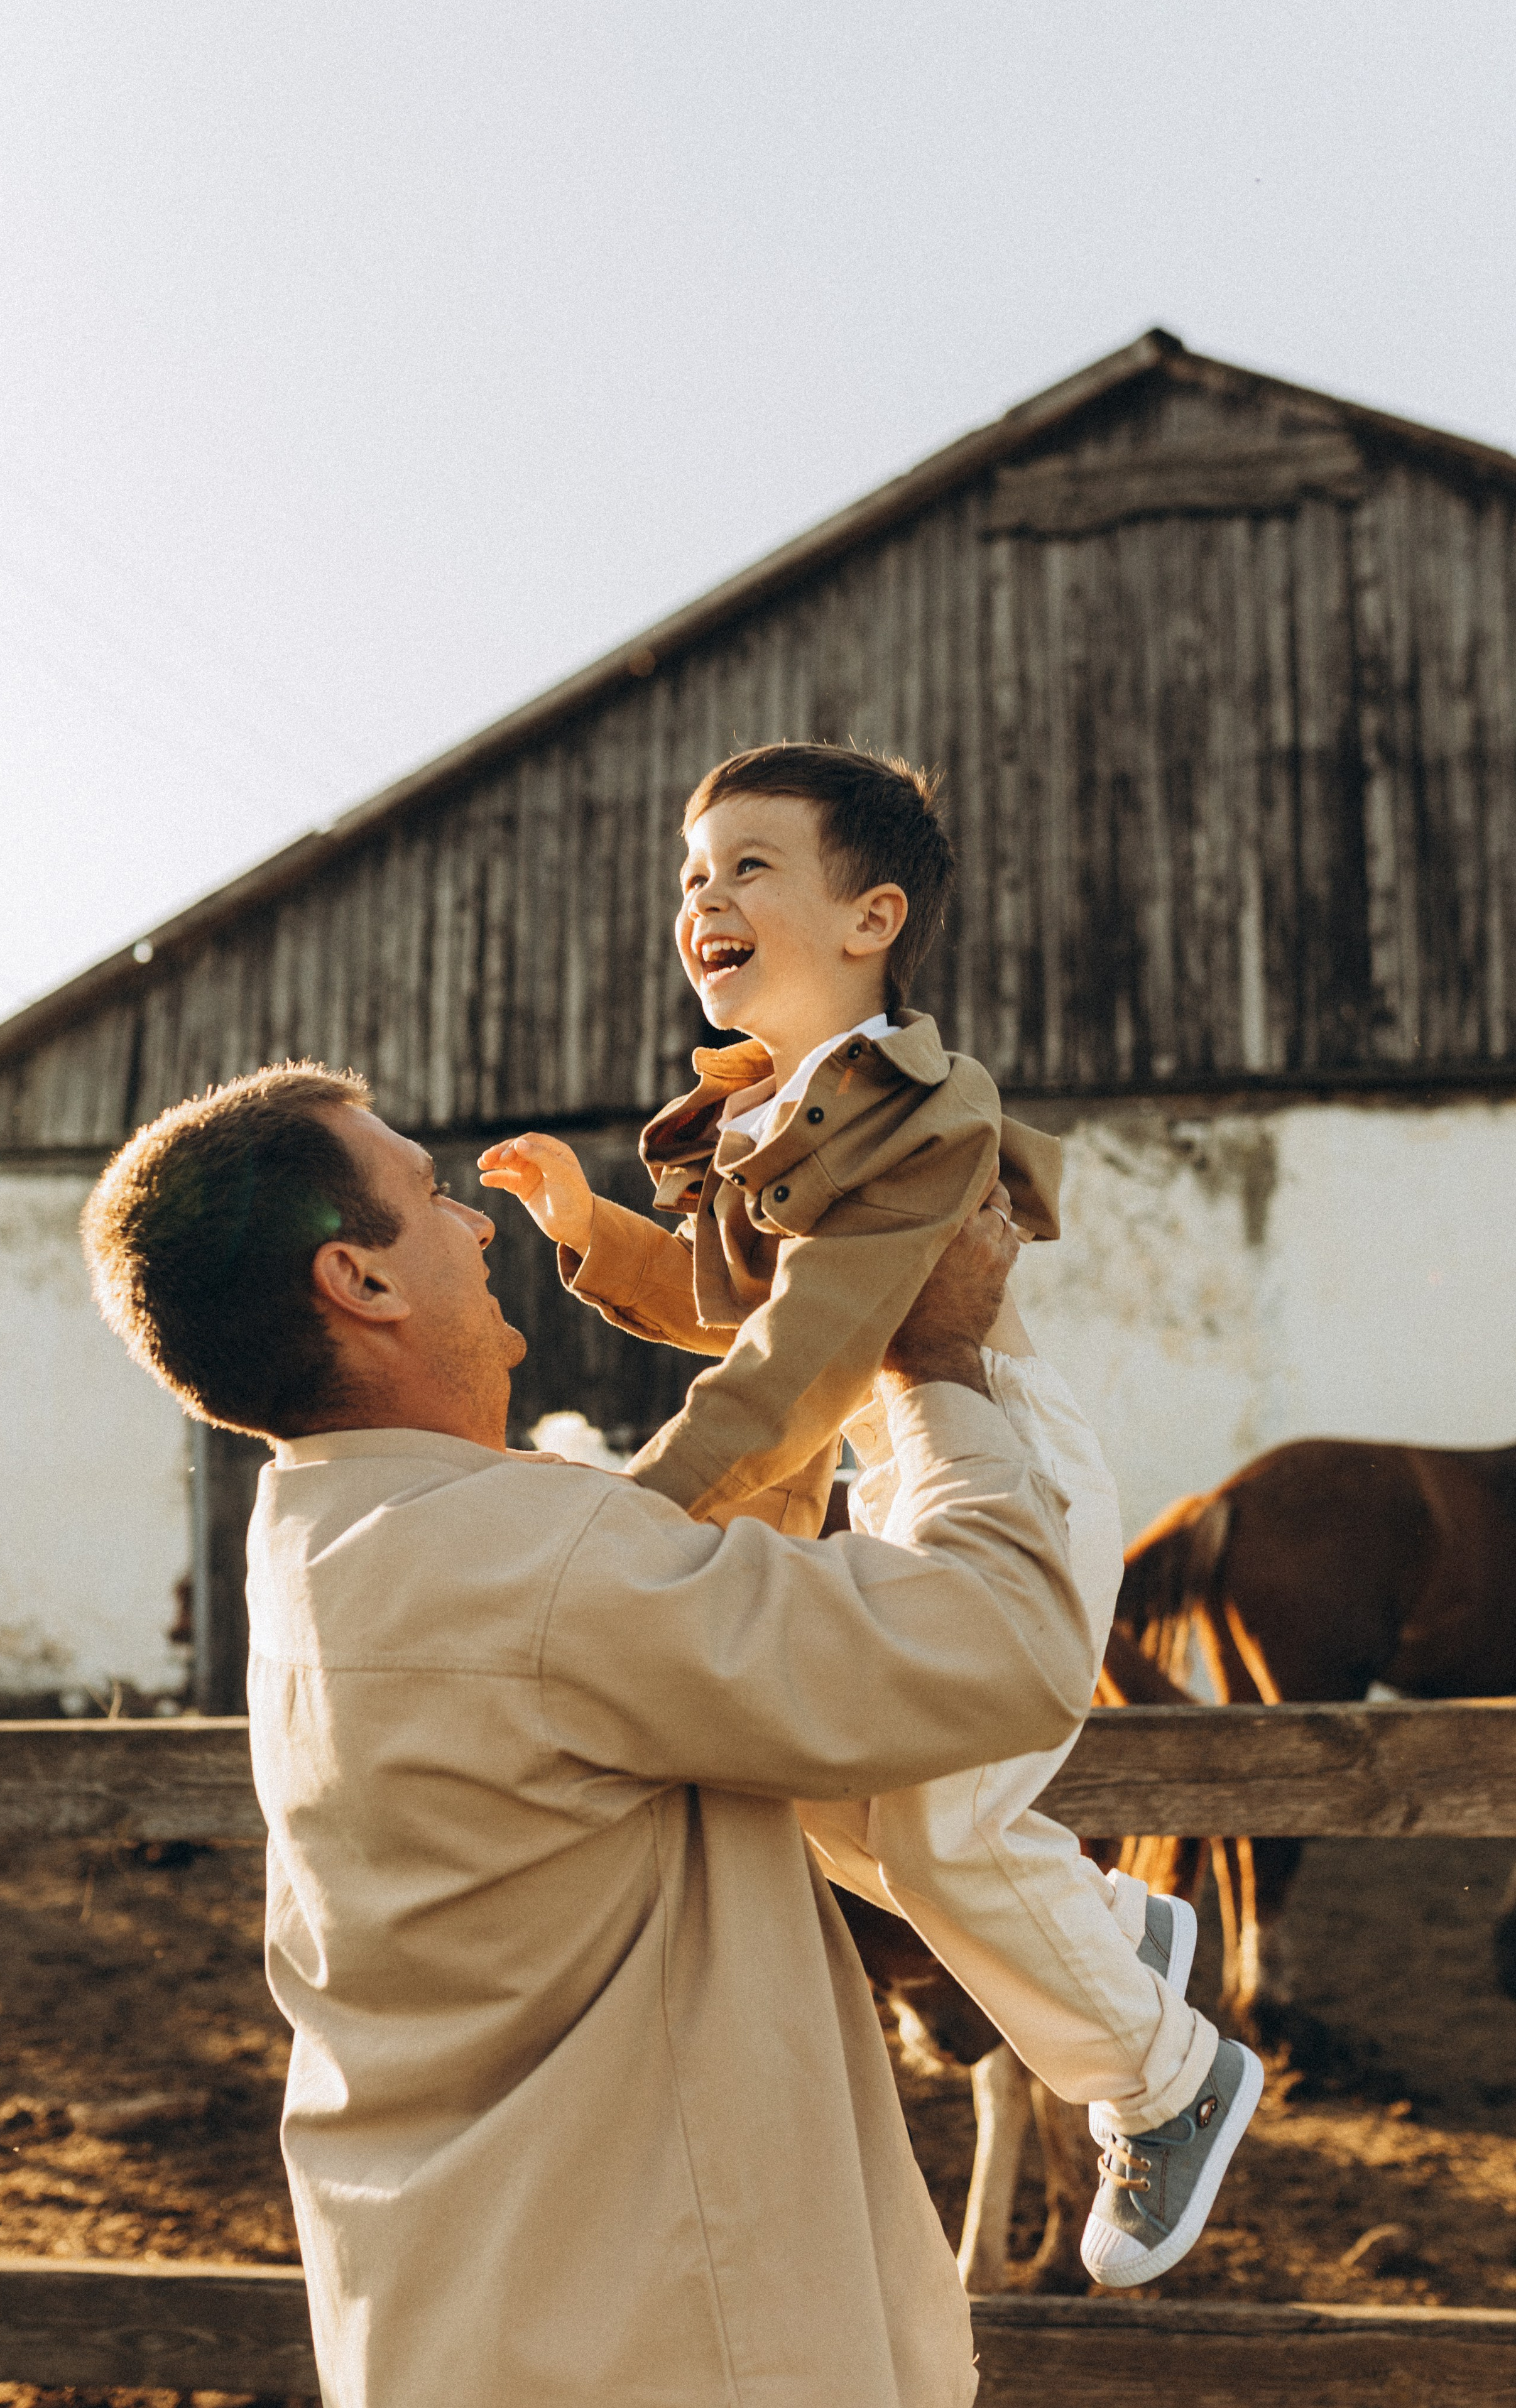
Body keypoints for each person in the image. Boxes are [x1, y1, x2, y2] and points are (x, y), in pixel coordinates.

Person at [80, 1060, 1100, 2408]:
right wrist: (933, 1367)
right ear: (360, 1282)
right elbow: (1008, 1644)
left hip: (469, 2318)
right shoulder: (532, 1568)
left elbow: (694, 1630)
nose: (478, 1225)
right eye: (431, 1198)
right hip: (670, 2340)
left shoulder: (329, 1543)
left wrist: (798, 1336)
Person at [479, 743, 1262, 2286]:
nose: (702, 896)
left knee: (927, 1819)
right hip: (889, 1473)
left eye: (747, 866)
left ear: (871, 916)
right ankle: (1106, 1926)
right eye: (691, 873)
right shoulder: (780, 1113)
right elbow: (739, 1315)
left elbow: (788, 1363)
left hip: (1000, 1468)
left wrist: (628, 1529)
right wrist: (592, 1234)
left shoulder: (920, 1113)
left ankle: (1169, 2078)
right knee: (795, 1785)